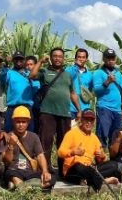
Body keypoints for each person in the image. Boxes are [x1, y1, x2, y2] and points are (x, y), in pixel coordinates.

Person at [30, 47, 82, 175]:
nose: (57, 58)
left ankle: (63, 170)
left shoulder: (67, 75)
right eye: (55, 56)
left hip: (64, 113)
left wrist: (79, 110)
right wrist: (40, 61)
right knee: (46, 141)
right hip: (47, 112)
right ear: (51, 58)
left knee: (64, 143)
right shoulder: (45, 72)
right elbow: (32, 75)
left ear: (63, 59)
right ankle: (44, 170)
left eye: (60, 56)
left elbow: (72, 93)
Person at [57, 110, 119, 192]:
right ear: (81, 120)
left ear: (94, 122)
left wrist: (102, 156)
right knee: (79, 167)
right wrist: (73, 152)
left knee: (113, 165)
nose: (89, 123)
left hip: (89, 169)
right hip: (73, 169)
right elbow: (60, 152)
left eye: (91, 120)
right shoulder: (71, 133)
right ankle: (103, 181)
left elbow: (101, 160)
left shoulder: (94, 138)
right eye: (86, 120)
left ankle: (89, 180)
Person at [1, 106, 55, 191]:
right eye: (18, 122)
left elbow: (40, 156)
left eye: (23, 122)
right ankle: (28, 185)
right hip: (14, 170)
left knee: (51, 179)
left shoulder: (34, 137)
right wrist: (11, 146)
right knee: (11, 175)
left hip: (30, 172)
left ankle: (20, 186)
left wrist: (45, 171)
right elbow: (6, 161)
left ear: (28, 122)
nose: (21, 125)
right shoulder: (7, 137)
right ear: (13, 122)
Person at [92, 48, 122, 149]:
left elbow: (121, 91)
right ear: (104, 59)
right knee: (101, 136)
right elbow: (96, 91)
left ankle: (113, 158)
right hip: (104, 107)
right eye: (108, 58)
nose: (111, 61)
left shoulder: (118, 73)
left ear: (115, 59)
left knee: (116, 138)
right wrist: (107, 82)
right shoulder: (98, 73)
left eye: (113, 58)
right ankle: (99, 157)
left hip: (117, 110)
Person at [0, 51, 38, 132]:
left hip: (27, 107)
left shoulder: (30, 74)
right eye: (16, 59)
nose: (18, 61)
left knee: (29, 133)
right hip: (12, 107)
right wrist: (5, 64)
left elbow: (36, 89)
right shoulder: (9, 72)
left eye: (21, 59)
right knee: (9, 132)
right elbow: (2, 79)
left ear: (24, 60)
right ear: (13, 61)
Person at [65, 49, 94, 121]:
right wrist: (76, 67)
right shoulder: (68, 70)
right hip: (70, 108)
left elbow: (90, 90)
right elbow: (66, 80)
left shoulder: (90, 74)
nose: (81, 59)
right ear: (75, 59)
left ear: (86, 59)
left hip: (84, 108)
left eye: (83, 57)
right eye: (79, 57)